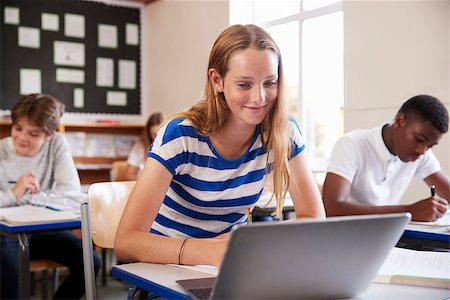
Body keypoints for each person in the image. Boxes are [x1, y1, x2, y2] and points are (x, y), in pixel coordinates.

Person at [115, 24, 325, 283]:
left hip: (227, 269)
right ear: (217, 80)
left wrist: (257, 243)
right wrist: (209, 251)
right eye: (245, 84)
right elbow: (126, 242)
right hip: (165, 272)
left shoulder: (284, 132)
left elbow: (313, 217)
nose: (260, 97)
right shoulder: (180, 136)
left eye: (269, 83)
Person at [0, 94, 101, 299]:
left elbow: (70, 192)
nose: (22, 137)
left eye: (34, 133)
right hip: (6, 233)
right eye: (18, 128)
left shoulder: (56, 144)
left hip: (42, 230)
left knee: (91, 262)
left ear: (49, 134)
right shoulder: (2, 150)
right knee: (9, 266)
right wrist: (14, 193)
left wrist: (37, 197)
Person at [322, 94, 450, 222]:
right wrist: (409, 211)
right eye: (419, 140)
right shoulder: (351, 144)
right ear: (400, 121)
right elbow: (331, 208)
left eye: (430, 146)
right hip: (348, 237)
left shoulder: (421, 154)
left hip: (388, 236)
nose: (422, 150)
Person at [123, 112, 164, 181]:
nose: (156, 139)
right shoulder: (139, 147)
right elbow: (128, 175)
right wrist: (146, 182)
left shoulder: (169, 148)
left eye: (159, 134)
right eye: (154, 134)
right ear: (149, 133)